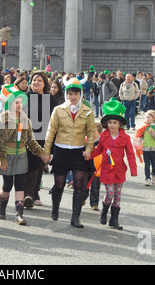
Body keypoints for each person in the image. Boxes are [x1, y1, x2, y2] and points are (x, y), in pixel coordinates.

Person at [43, 78, 96, 228]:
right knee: (59, 184)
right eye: (70, 93)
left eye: (75, 94)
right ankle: (55, 209)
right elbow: (50, 131)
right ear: (66, 94)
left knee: (79, 184)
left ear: (81, 94)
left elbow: (91, 133)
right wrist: (46, 151)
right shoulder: (58, 110)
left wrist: (89, 150)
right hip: (61, 151)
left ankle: (75, 217)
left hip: (78, 152)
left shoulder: (88, 112)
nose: (72, 97)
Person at [0, 85, 45, 225]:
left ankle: (19, 213)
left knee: (19, 184)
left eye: (21, 102)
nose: (19, 105)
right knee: (7, 184)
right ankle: (2, 207)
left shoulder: (26, 120)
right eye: (16, 102)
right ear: (10, 104)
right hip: (7, 155)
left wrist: (41, 153)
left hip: (21, 156)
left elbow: (30, 141)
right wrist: (2, 159)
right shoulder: (2, 120)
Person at [86, 98, 137, 230]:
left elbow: (130, 154)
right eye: (110, 122)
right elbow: (98, 150)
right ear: (106, 124)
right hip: (107, 169)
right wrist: (88, 155)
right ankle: (104, 211)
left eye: (115, 122)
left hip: (120, 170)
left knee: (118, 196)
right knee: (109, 193)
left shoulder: (125, 138)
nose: (112, 125)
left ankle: (114, 220)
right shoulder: (103, 136)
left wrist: (133, 169)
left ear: (120, 124)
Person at [24, 70, 58, 208]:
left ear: (45, 84)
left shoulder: (50, 99)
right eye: (33, 80)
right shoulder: (25, 97)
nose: (35, 83)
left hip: (44, 137)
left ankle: (34, 193)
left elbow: (56, 121)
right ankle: (29, 194)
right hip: (27, 137)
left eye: (39, 80)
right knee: (30, 165)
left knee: (39, 165)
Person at [135, 110, 155, 186]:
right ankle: (147, 179)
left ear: (153, 118)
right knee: (147, 164)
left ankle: (154, 174)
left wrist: (152, 132)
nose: (147, 119)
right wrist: (139, 139)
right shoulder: (144, 127)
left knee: (154, 165)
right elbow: (141, 135)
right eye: (146, 117)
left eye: (148, 117)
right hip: (145, 149)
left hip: (153, 149)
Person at [83, 123, 103, 210]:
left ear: (99, 132)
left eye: (94, 132)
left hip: (96, 168)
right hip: (86, 166)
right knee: (84, 184)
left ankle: (94, 204)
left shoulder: (101, 142)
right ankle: (82, 199)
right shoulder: (86, 141)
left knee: (95, 186)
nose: (92, 134)